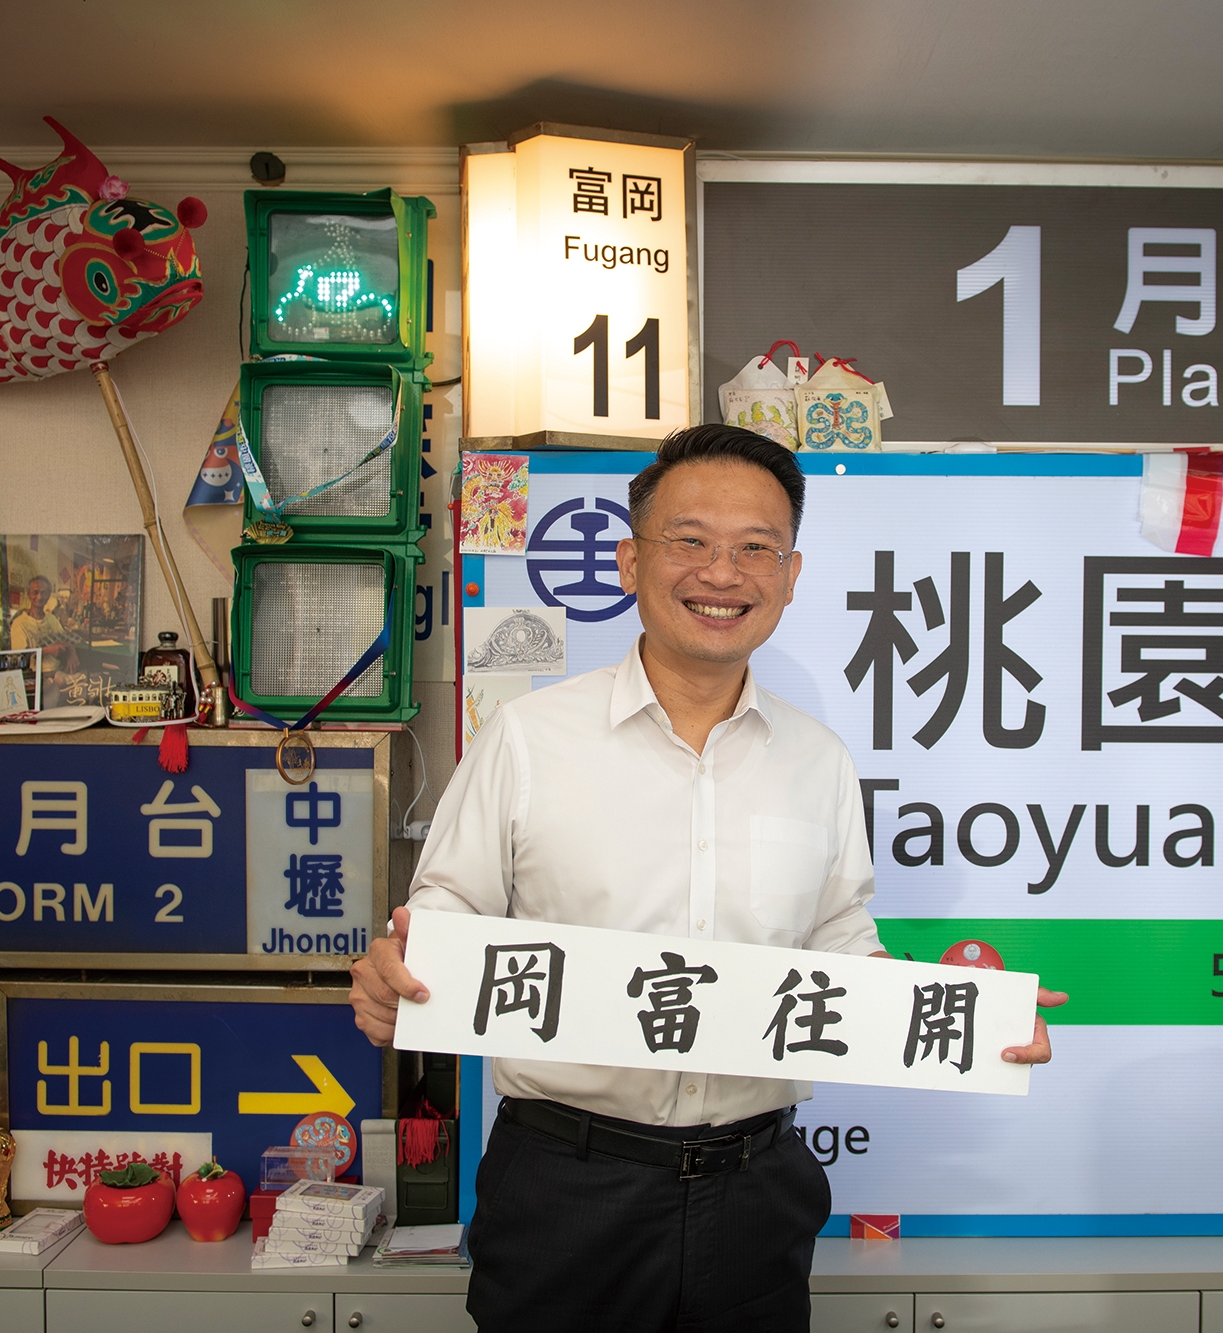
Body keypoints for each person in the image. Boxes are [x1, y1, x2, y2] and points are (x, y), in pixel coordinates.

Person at [351, 425, 1066, 1333]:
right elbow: (443, 921)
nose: (722, 573)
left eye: (756, 548)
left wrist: (966, 1018)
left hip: (756, 1190)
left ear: (791, 576)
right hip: (567, 1186)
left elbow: (841, 945)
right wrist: (401, 974)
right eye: (689, 540)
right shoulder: (528, 739)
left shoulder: (820, 760)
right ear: (630, 561)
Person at [8, 574, 77, 673]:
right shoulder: (19, 623)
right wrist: (47, 651)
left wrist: (72, 653)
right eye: (35, 592)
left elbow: (66, 640)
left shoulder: (52, 619)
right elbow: (19, 658)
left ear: (48, 596)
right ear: (28, 594)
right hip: (33, 675)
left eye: (43, 592)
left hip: (57, 672)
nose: (39, 597)